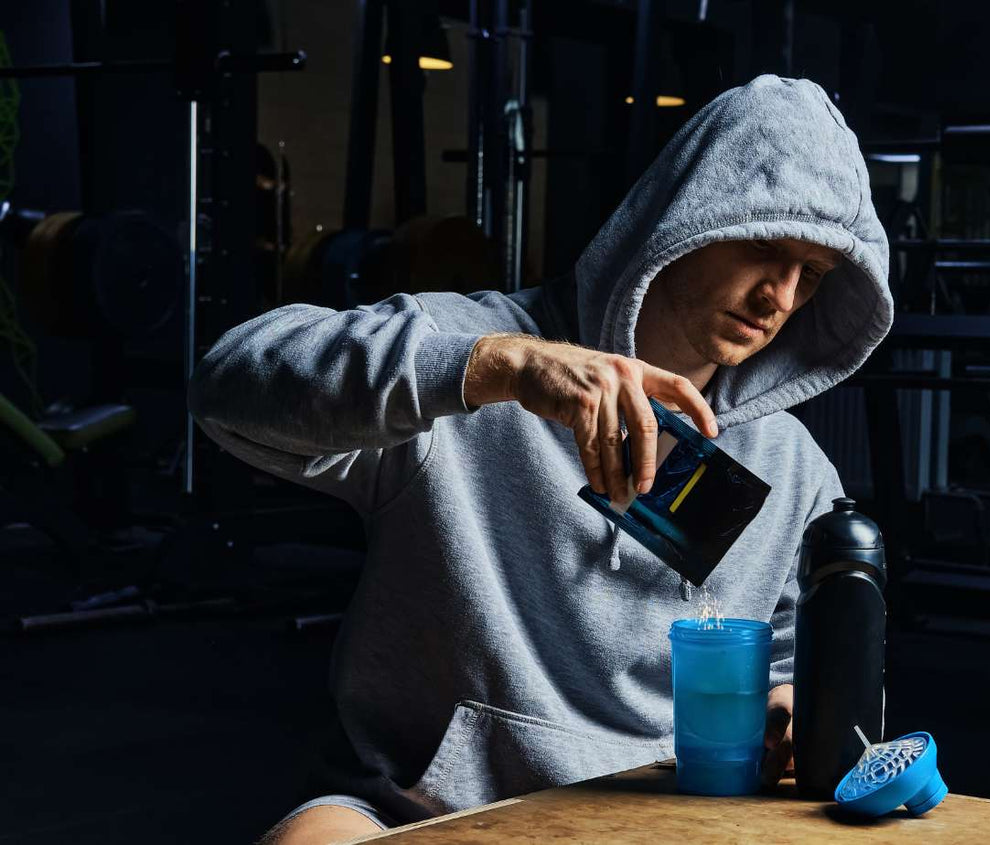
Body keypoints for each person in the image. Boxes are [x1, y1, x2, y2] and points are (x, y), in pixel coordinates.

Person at [191, 75, 891, 843]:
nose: (780, 297)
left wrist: (789, 714)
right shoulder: (466, 357)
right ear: (692, 212)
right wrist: (500, 369)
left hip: (663, 820)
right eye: (766, 245)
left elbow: (789, 671)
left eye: (813, 275)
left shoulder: (794, 470)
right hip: (426, 810)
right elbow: (229, 381)